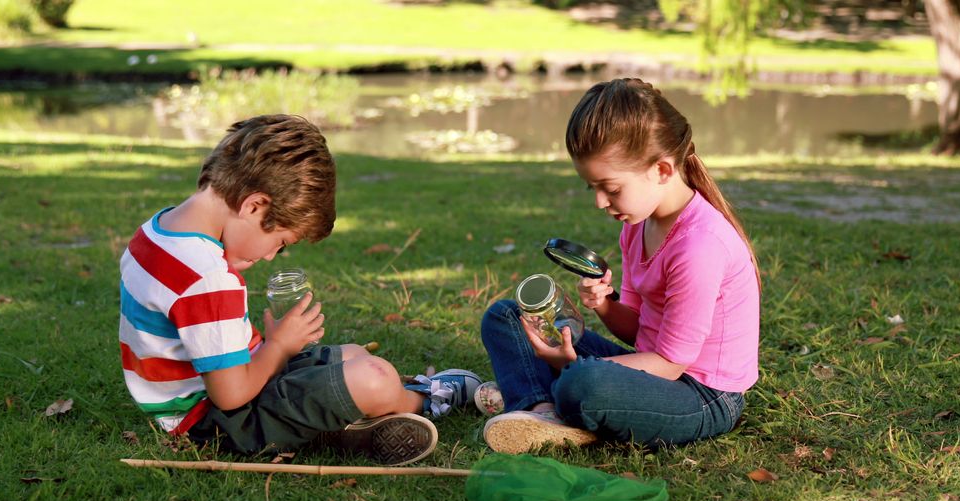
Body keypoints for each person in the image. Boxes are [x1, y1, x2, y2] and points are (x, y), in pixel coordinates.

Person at [118, 115, 480, 466]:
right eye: (280, 241)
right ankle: (422, 400)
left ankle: (353, 424)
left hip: (199, 401)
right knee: (374, 378)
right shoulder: (209, 277)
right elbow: (230, 395)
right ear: (254, 205)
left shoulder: (156, 232)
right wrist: (278, 347)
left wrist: (272, 346)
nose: (272, 254)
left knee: (352, 355)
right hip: (219, 424)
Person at [480, 78, 760, 454]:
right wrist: (606, 305)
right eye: (592, 188)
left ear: (661, 170)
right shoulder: (637, 225)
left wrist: (572, 364)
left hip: (702, 395)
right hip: (656, 368)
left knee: (582, 383)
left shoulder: (699, 246)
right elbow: (640, 333)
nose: (600, 202)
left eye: (610, 188)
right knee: (507, 316)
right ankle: (543, 412)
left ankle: (555, 399)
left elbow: (672, 363)